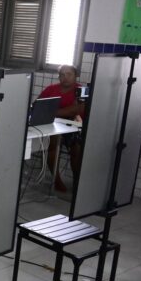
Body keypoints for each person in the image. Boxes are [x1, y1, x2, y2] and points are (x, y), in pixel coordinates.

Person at [37, 64, 85, 192]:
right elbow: (37, 105)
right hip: (53, 126)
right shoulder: (51, 89)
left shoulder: (80, 90)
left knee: (77, 150)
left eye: (69, 74)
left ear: (76, 76)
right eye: (62, 75)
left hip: (74, 127)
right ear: (58, 77)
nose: (65, 77)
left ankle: (77, 182)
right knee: (52, 144)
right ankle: (56, 180)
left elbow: (77, 110)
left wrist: (51, 111)